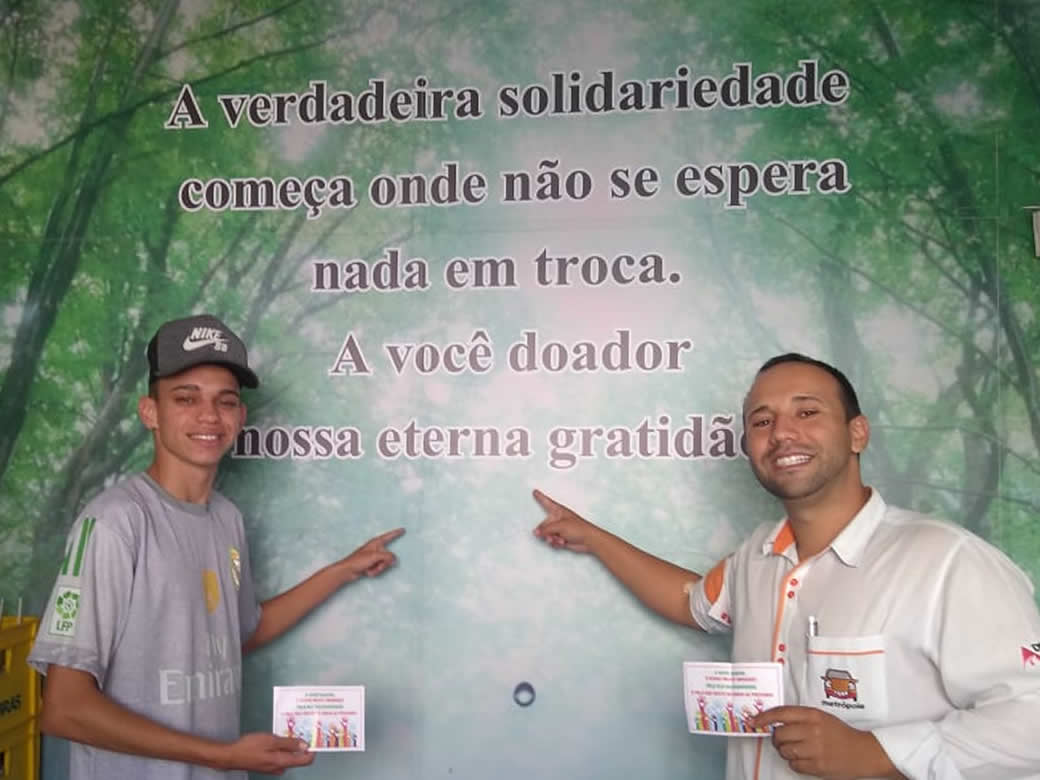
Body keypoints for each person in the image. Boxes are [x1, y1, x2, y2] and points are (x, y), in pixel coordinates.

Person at [533, 353, 1040, 780]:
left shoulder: (946, 561)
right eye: (762, 421)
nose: (782, 434)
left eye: (807, 412)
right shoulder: (758, 555)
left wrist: (875, 752)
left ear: (857, 433)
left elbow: (1030, 720)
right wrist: (593, 538)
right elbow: (690, 601)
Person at [28, 314, 404, 779]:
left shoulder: (227, 519)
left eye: (225, 402)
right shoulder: (114, 523)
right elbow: (64, 709)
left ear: (240, 417)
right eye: (186, 398)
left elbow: (240, 631)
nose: (209, 416)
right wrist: (224, 757)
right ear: (150, 412)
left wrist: (342, 570)